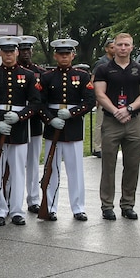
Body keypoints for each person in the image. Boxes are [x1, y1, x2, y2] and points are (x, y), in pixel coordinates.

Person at [0, 37, 41, 226]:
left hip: (19, 128)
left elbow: (35, 102)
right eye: (5, 51)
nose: (8, 55)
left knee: (17, 171)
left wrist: (20, 116)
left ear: (16, 52)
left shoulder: (28, 75)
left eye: (11, 51)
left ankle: (16, 210)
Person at [92, 33, 140, 220]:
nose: (123, 48)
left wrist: (129, 109)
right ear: (114, 47)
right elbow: (100, 93)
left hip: (133, 122)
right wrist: (116, 111)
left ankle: (127, 205)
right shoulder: (103, 69)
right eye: (120, 45)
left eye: (127, 45)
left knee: (132, 165)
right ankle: (107, 205)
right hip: (111, 121)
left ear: (132, 47)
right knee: (108, 166)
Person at [38, 40, 96, 222]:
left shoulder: (82, 76)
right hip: (52, 126)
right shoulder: (47, 77)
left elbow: (89, 101)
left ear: (73, 55)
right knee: (51, 170)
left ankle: (78, 207)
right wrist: (50, 119)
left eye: (67, 54)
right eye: (60, 54)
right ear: (55, 56)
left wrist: (71, 113)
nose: (64, 57)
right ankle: (50, 207)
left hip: (73, 127)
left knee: (76, 170)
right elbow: (39, 103)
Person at [17, 35, 47, 213]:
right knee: (15, 164)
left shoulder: (40, 72)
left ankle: (33, 199)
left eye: (28, 50)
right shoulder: (11, 71)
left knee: (33, 163)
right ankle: (13, 199)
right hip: (16, 124)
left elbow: (42, 100)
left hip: (34, 122)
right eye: (22, 50)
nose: (26, 53)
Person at [91, 38, 115, 157]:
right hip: (102, 96)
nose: (114, 49)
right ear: (106, 49)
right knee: (100, 123)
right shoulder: (101, 62)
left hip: (113, 97)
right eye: (112, 47)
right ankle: (97, 147)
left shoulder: (117, 62)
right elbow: (93, 79)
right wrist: (96, 97)